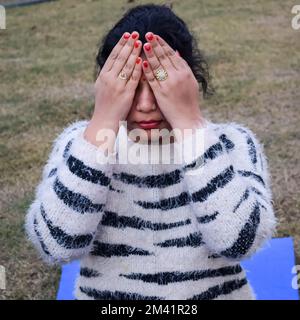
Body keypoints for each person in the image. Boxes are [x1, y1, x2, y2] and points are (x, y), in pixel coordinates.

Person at [25, 4, 277, 300]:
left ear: (189, 81)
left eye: (160, 84)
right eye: (130, 86)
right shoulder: (80, 145)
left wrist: (190, 126)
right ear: (107, 85)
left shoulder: (233, 143)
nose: (145, 104)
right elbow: (56, 245)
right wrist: (103, 123)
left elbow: (239, 242)